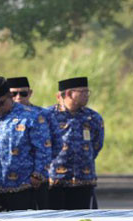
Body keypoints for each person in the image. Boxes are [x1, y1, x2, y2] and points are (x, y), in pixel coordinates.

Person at [0, 76, 51, 213]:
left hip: (19, 186)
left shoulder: (31, 116)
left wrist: (37, 175)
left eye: (0, 103)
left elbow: (43, 149)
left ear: (10, 97)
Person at [45, 77, 104, 209]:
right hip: (55, 181)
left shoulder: (93, 117)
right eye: (82, 92)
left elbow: (96, 145)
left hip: (84, 180)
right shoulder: (48, 116)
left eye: (87, 92)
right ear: (69, 94)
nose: (86, 96)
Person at [7, 76, 52, 209]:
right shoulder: (4, 114)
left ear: (30, 93)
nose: (18, 97)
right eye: (13, 94)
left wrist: (40, 169)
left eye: (23, 93)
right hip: (13, 179)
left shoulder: (43, 114)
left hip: (39, 176)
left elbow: (55, 143)